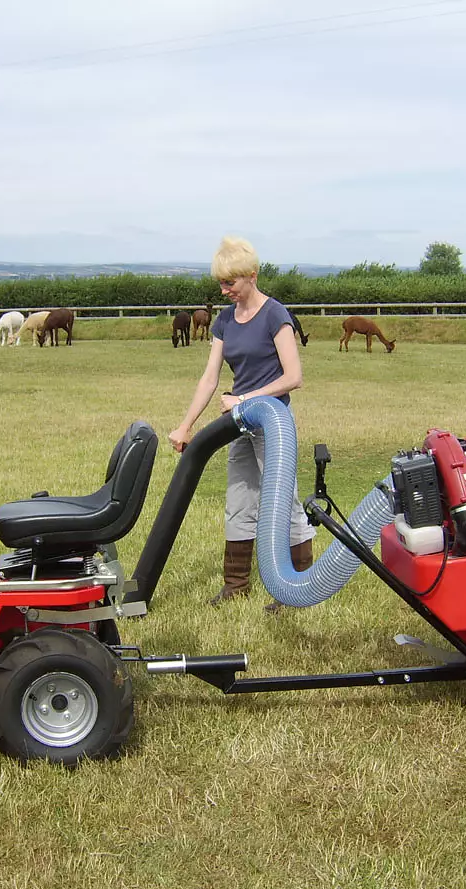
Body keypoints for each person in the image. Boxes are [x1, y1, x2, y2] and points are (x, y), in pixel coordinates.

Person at [168, 236, 316, 613]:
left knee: (284, 502)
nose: (224, 290)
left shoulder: (274, 315)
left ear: (251, 275)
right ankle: (236, 586)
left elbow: (293, 376)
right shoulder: (224, 320)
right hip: (239, 422)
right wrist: (185, 427)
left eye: (230, 283)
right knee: (238, 501)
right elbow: (209, 379)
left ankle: (299, 588)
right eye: (220, 283)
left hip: (274, 423)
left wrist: (246, 399)